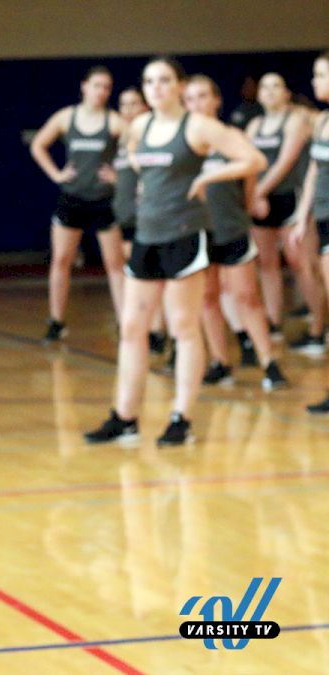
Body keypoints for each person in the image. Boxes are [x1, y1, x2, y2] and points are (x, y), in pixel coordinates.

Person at [84, 56, 266, 447]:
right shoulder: (139, 126)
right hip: (146, 235)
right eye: (149, 82)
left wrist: (208, 174)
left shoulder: (198, 126)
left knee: (184, 326)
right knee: (133, 328)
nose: (156, 88)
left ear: (180, 86)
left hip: (185, 234)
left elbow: (254, 158)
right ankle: (125, 416)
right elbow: (136, 159)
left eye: (165, 80)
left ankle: (181, 418)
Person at [182, 74, 288, 391]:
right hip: (197, 231)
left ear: (216, 100)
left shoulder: (231, 136)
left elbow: (252, 174)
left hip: (231, 227)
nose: (196, 103)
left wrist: (251, 201)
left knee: (246, 297)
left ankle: (269, 361)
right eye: (190, 98)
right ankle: (220, 361)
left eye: (203, 96)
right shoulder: (185, 142)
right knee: (207, 299)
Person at [30, 66, 127, 342]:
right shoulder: (65, 117)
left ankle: (124, 321)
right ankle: (56, 320)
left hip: (104, 200)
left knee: (115, 264)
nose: (101, 92)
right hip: (71, 198)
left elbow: (139, 149)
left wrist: (119, 177)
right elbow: (38, 145)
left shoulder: (115, 122)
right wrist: (56, 174)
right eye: (96, 85)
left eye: (107, 87)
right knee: (61, 260)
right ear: (84, 86)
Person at [246, 72, 321, 351]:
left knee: (301, 264)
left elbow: (285, 162)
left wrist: (257, 193)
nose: (269, 91)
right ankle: (273, 321)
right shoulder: (254, 125)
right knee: (267, 264)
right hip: (262, 200)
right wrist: (254, 196)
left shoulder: (296, 121)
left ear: (286, 93)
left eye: (276, 85)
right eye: (264, 86)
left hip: (291, 199)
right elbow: (250, 162)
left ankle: (318, 326)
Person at [104, 86, 168, 352]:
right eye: (123, 104)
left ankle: (158, 330)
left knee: (151, 277)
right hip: (122, 215)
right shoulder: (119, 140)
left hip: (147, 218)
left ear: (144, 107)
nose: (128, 110)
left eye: (134, 104)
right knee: (126, 273)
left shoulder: (150, 138)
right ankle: (136, 326)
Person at [291, 52, 329, 412]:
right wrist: (303, 217)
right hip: (323, 216)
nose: (315, 81)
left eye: (321, 74)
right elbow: (315, 171)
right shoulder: (321, 122)